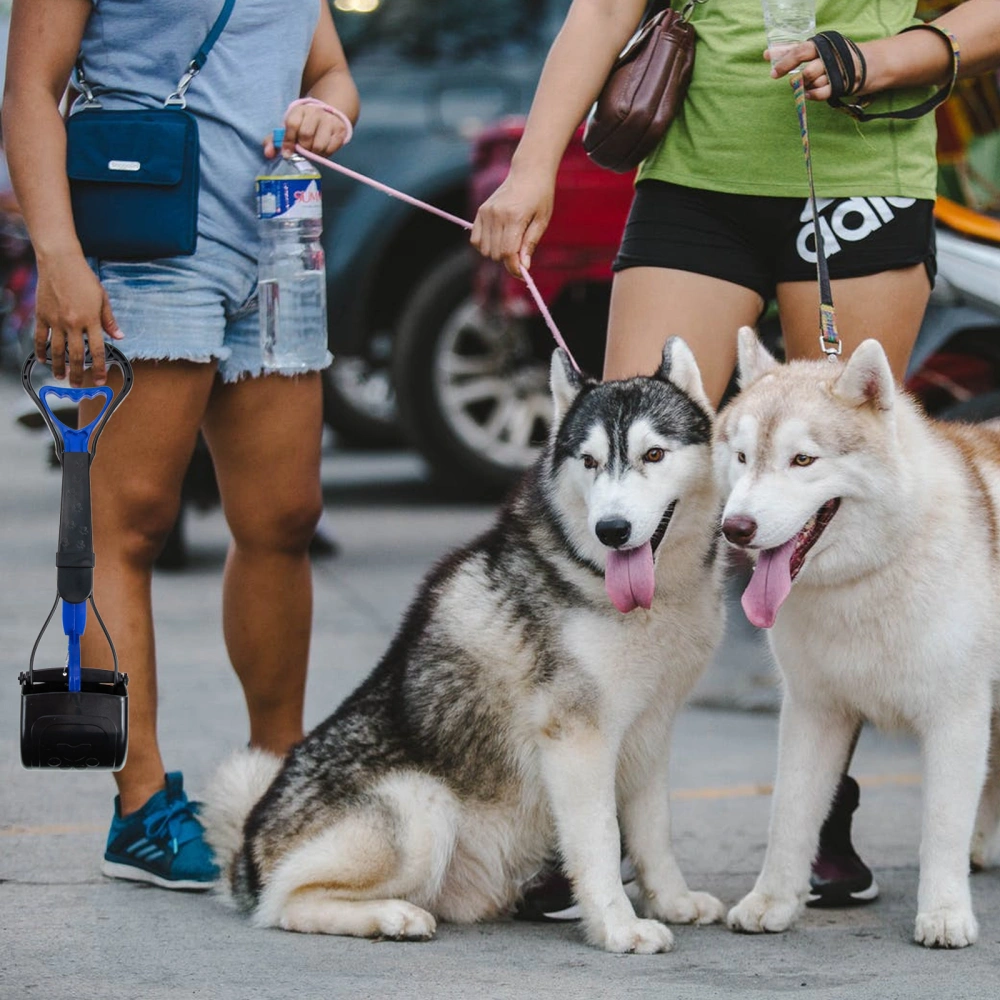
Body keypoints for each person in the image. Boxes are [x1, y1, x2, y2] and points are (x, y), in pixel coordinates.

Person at [471, 0, 1000, 916]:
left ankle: (821, 818)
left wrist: (877, 59)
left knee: (834, 492)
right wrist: (531, 169)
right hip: (696, 182)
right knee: (629, 480)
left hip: (862, 181)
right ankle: (575, 816)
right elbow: (601, 11)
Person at [2, 0, 358, 889]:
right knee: (132, 523)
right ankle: (142, 805)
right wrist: (59, 258)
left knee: (284, 517)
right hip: (145, 239)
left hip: (276, 237)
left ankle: (281, 774)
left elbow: (330, 71)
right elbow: (29, 88)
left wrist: (329, 111)